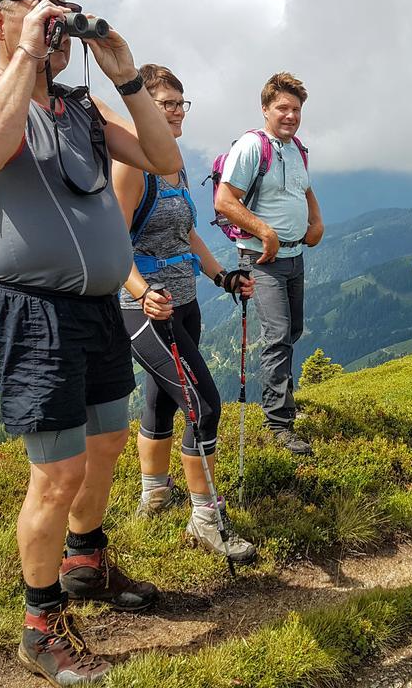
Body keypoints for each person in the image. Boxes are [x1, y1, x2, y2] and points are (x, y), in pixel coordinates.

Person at [0, 0, 182, 685]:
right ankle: (40, 625)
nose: (57, 29)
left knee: (107, 441)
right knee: (57, 472)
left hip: (99, 308)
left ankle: (86, 563)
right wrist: (25, 56)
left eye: (63, 16)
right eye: (40, 14)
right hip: (34, 310)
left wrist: (126, 75)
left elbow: (165, 160)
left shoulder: (80, 108)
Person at [112, 63, 256, 563]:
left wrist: (222, 277)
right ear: (143, 108)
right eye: (166, 104)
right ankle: (205, 518)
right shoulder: (133, 164)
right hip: (145, 310)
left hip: (185, 301)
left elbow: (187, 233)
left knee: (163, 401)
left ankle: (154, 495)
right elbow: (113, 240)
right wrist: (141, 289)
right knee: (203, 404)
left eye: (180, 103)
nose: (177, 112)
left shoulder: (173, 162)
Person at [214, 72, 324, 456]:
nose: (290, 115)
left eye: (296, 109)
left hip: (294, 256)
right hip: (262, 259)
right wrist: (265, 232)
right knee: (277, 336)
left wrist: (317, 221)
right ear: (265, 109)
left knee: (292, 330)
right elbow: (225, 201)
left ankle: (283, 403)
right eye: (283, 108)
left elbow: (305, 188)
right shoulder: (251, 146)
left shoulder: (297, 150)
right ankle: (279, 424)